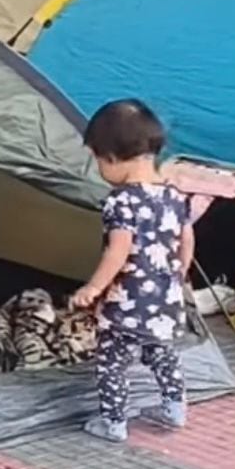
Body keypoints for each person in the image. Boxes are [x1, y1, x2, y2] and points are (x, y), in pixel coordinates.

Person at [70, 100, 192, 443]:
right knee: (162, 353)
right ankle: (175, 407)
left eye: (97, 160)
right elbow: (187, 240)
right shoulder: (174, 194)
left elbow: (118, 251)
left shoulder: (121, 200)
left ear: (111, 157)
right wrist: (178, 274)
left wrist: (93, 288)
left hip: (128, 302)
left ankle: (113, 422)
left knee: (112, 361)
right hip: (165, 298)